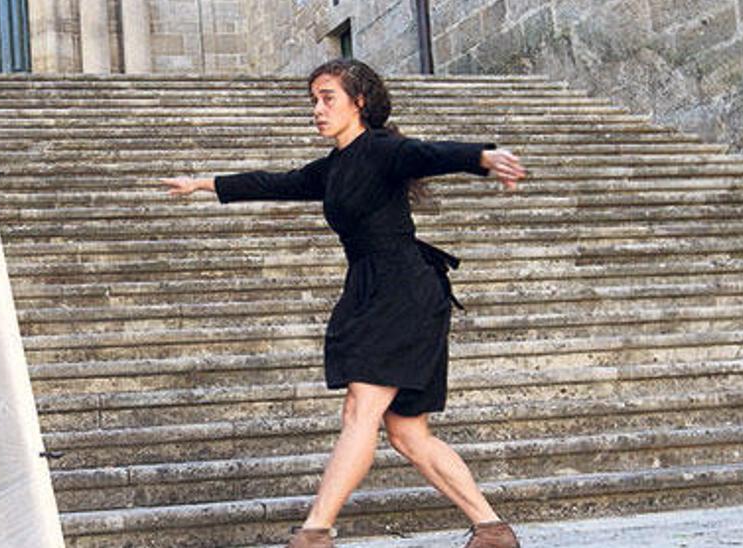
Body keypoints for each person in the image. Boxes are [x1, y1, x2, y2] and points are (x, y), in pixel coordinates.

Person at [160, 59, 527, 548]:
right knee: (408, 435)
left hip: (402, 290)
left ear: (359, 102)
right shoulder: (335, 168)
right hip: (375, 289)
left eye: (327, 97)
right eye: (313, 99)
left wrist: (481, 157)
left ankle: (316, 532)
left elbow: (426, 154)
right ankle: (491, 529)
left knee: (361, 410)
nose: (317, 108)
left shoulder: (381, 150)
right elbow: (276, 182)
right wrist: (201, 183)